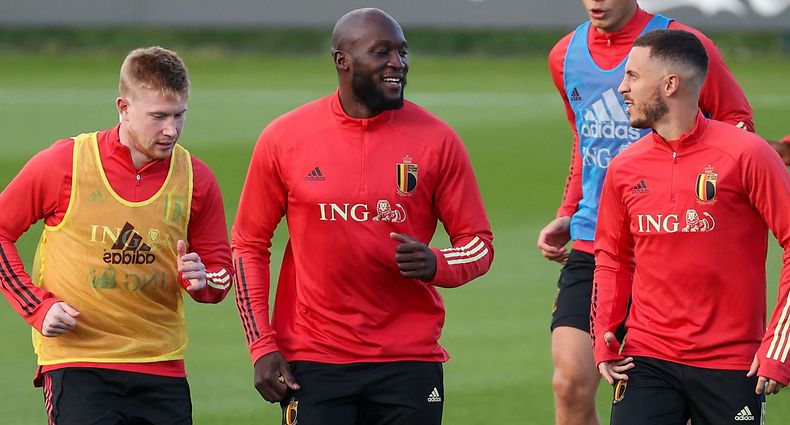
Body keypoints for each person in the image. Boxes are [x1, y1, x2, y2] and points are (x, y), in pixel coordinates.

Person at [232, 8, 494, 425]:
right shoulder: (284, 138)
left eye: (403, 53)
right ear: (343, 61)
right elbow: (247, 244)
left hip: (408, 360)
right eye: (382, 52)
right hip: (314, 360)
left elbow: (478, 242)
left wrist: (437, 263)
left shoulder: (438, 141)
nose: (398, 63)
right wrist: (262, 346)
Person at [536, 1, 754, 423]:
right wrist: (570, 210)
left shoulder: (682, 46)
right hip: (595, 237)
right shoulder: (563, 54)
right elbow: (584, 138)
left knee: (680, 392)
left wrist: (704, 196)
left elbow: (738, 124)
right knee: (569, 382)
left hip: (674, 236)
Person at [0, 46, 233, 424]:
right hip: (78, 363)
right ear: (123, 108)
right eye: (158, 117)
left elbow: (221, 273)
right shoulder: (65, 163)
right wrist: (37, 307)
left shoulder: (197, 179)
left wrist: (204, 281)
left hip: (161, 365)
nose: (171, 129)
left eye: (179, 115)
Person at [593, 29, 789, 424]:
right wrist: (604, 335)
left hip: (733, 364)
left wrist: (779, 348)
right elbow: (612, 258)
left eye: (632, 76)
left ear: (670, 84)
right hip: (646, 360)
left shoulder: (747, 155)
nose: (621, 88)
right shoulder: (624, 168)